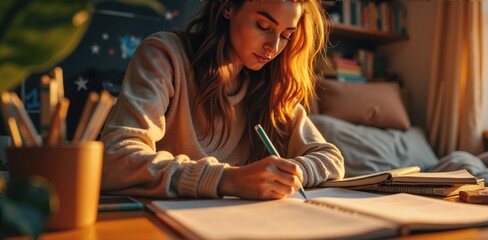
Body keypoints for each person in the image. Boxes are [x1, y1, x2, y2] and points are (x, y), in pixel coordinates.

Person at [100, 0, 344, 200]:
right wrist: (227, 179)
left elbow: (330, 158)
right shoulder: (165, 56)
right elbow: (115, 159)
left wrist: (292, 173)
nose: (274, 46)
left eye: (286, 35)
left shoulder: (269, 85)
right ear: (228, 7)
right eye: (263, 25)